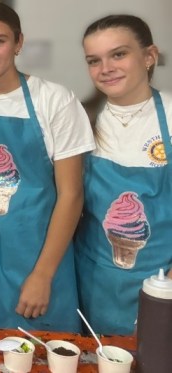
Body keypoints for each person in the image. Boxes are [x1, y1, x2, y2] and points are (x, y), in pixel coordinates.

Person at [0, 2, 95, 332]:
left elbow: (71, 195)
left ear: (18, 43)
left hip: (42, 257)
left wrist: (43, 274)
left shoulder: (55, 100)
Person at [75, 14, 172, 335]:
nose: (106, 68)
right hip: (90, 279)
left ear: (149, 56)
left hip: (161, 283)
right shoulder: (79, 119)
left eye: (119, 54)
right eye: (94, 60)